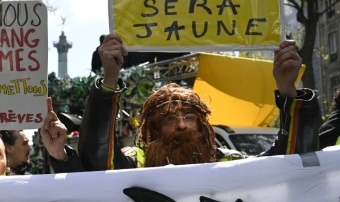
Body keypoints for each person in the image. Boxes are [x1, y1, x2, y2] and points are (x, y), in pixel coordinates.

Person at [44, 35, 319, 171]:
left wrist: (287, 90)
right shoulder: (134, 164)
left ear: (203, 124)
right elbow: (98, 163)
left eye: (190, 117)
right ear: (152, 128)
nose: (182, 125)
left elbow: (291, 167)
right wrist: (110, 79)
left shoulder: (227, 162)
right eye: (169, 119)